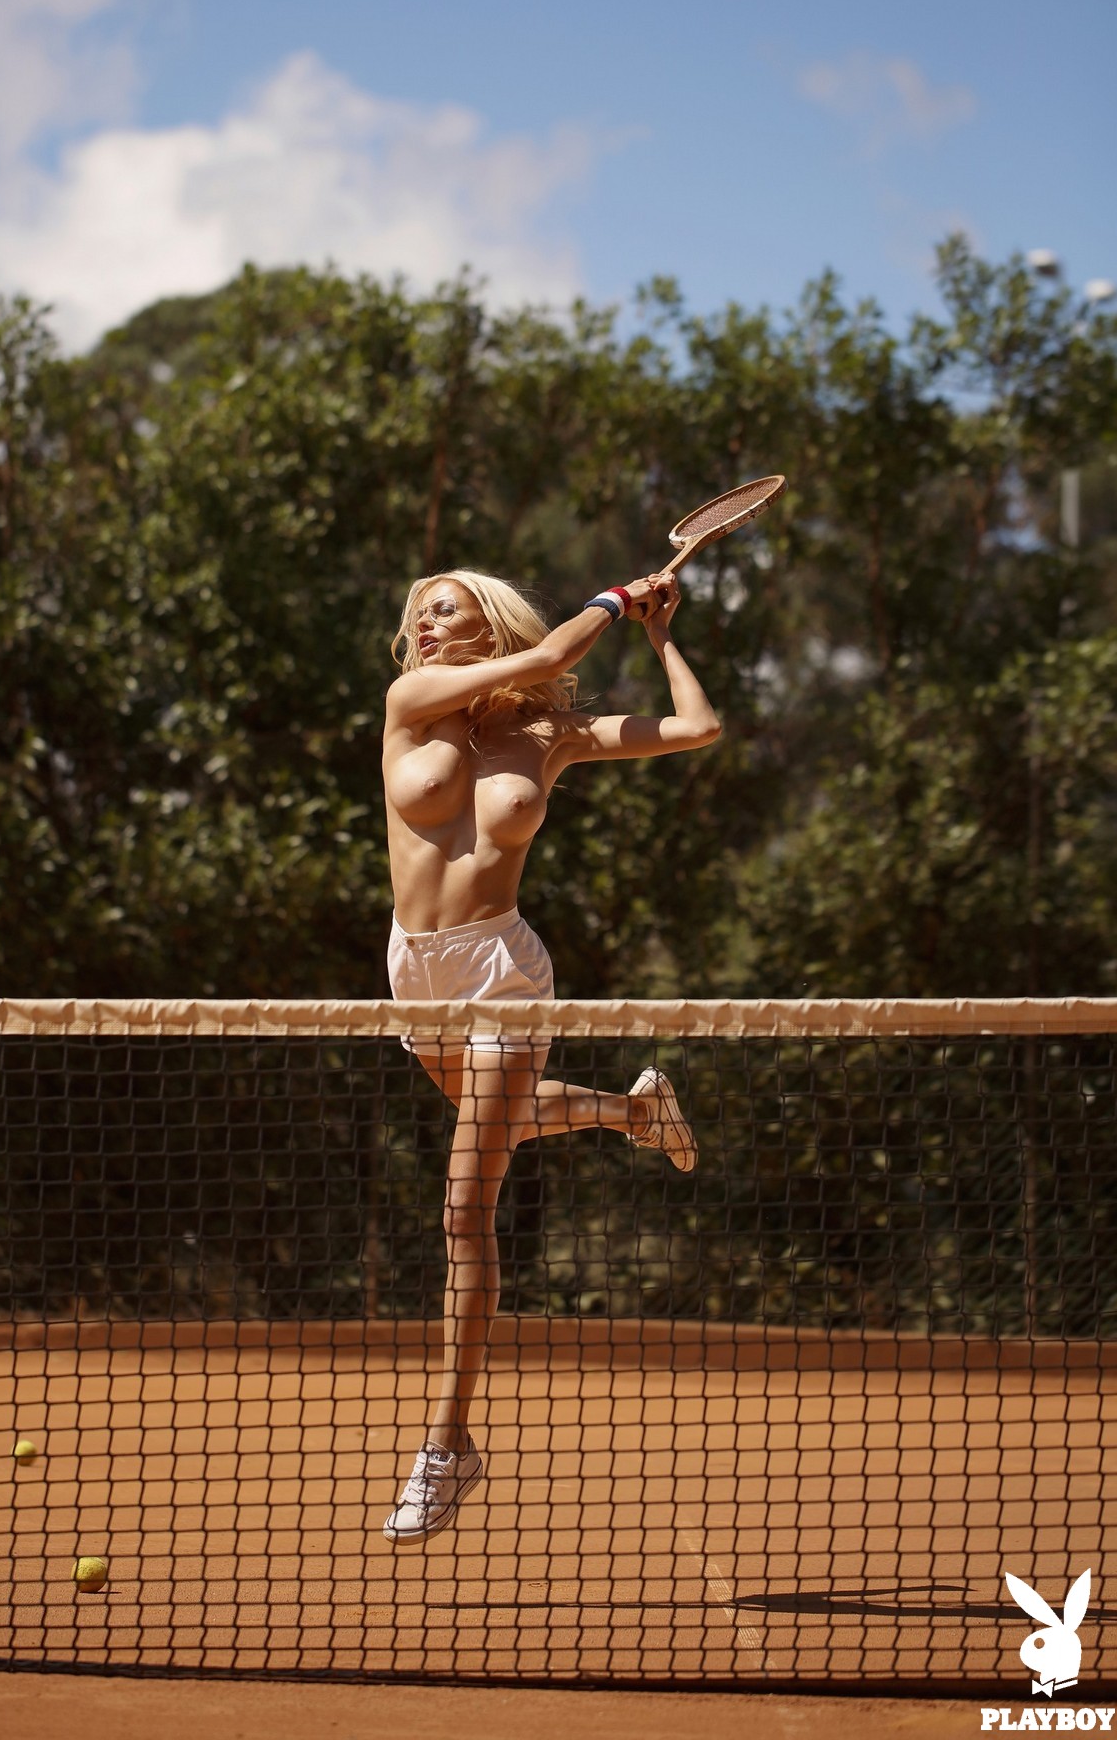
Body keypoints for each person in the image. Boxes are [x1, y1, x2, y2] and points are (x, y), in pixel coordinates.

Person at [380, 564, 721, 1545]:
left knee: (464, 1206)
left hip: (502, 973)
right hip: (416, 972)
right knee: (499, 1124)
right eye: (418, 615)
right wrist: (614, 598)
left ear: (486, 622)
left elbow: (696, 728)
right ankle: (632, 1112)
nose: (425, 625)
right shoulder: (412, 701)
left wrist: (658, 635)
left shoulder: (547, 735)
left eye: (444, 609)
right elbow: (549, 654)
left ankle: (448, 1446)